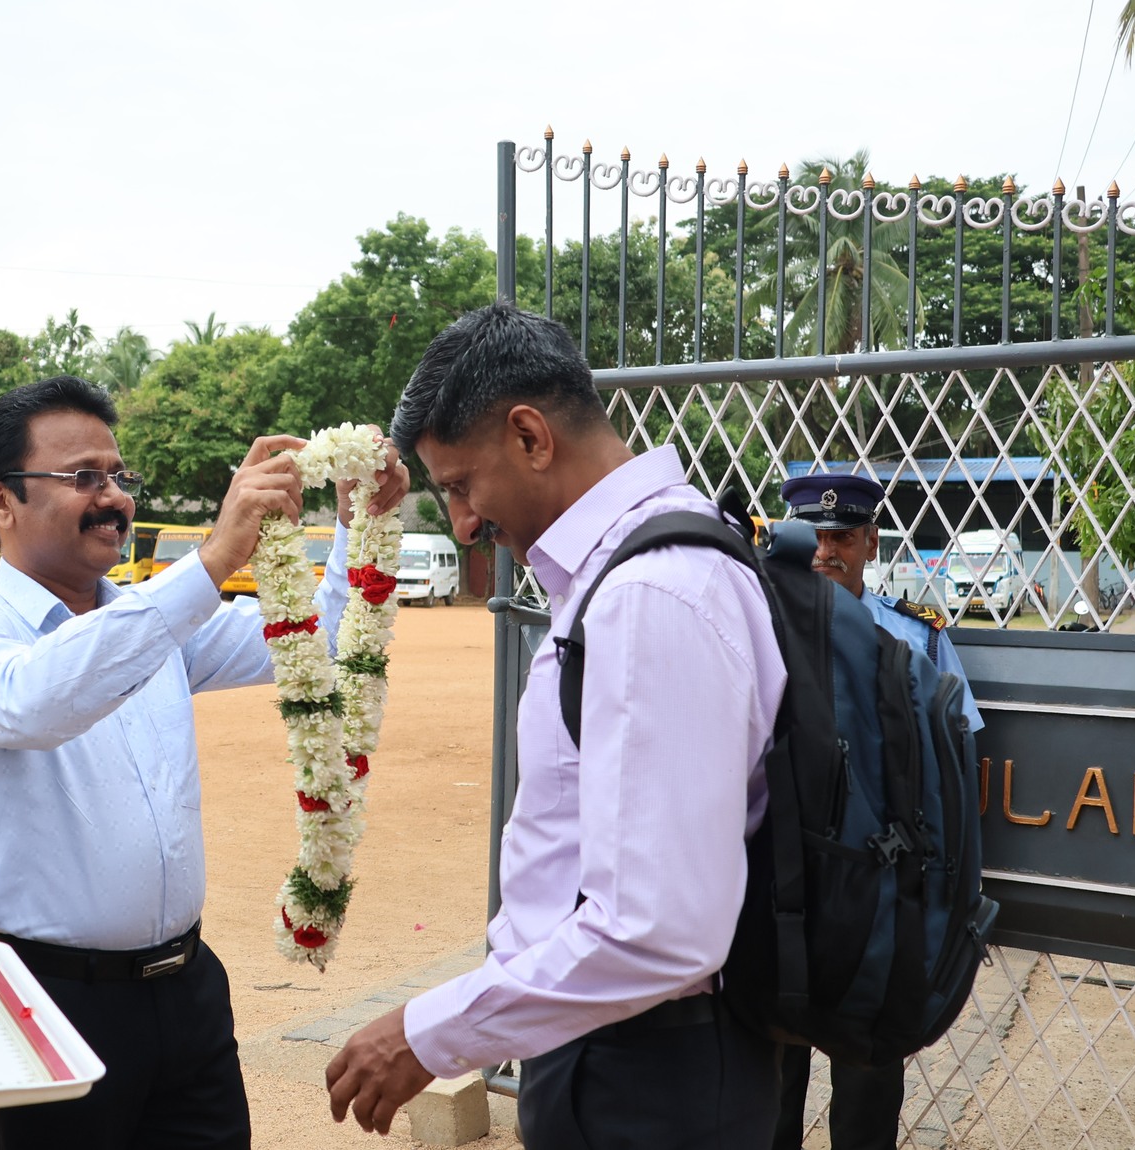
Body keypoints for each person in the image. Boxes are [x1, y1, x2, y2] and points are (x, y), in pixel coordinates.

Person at [326, 303, 786, 1146]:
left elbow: (657, 930)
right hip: (616, 1050)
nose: (463, 522)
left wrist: (427, 1032)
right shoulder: (629, 572)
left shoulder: (650, 593)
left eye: (462, 485)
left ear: (531, 436)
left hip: (646, 1073)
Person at [0, 375, 408, 1150]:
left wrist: (357, 524)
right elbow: (42, 701)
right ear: (1, 502)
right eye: (83, 478)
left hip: (188, 992)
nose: (112, 497)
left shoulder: (152, 622)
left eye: (117, 476)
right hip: (57, 1004)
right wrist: (212, 558)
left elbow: (323, 644)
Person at [771, 472, 986, 1150]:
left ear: (870, 542)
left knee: (867, 1081)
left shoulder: (917, 639)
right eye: (816, 536)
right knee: (770, 1076)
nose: (827, 551)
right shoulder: (763, 625)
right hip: (783, 878)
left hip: (883, 892)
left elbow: (957, 765)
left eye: (843, 537)